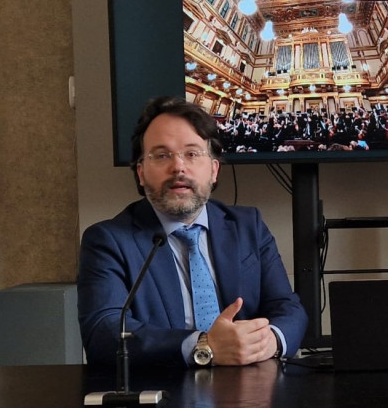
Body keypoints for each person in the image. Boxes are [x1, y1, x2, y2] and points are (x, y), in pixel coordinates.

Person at [78, 96, 307, 367]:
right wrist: (204, 346)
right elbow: (103, 332)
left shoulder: (248, 226)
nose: (178, 167)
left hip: (251, 378)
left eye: (192, 154)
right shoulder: (108, 240)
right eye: (162, 155)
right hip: (163, 385)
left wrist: (271, 340)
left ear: (214, 169)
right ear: (141, 173)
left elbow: (288, 308)